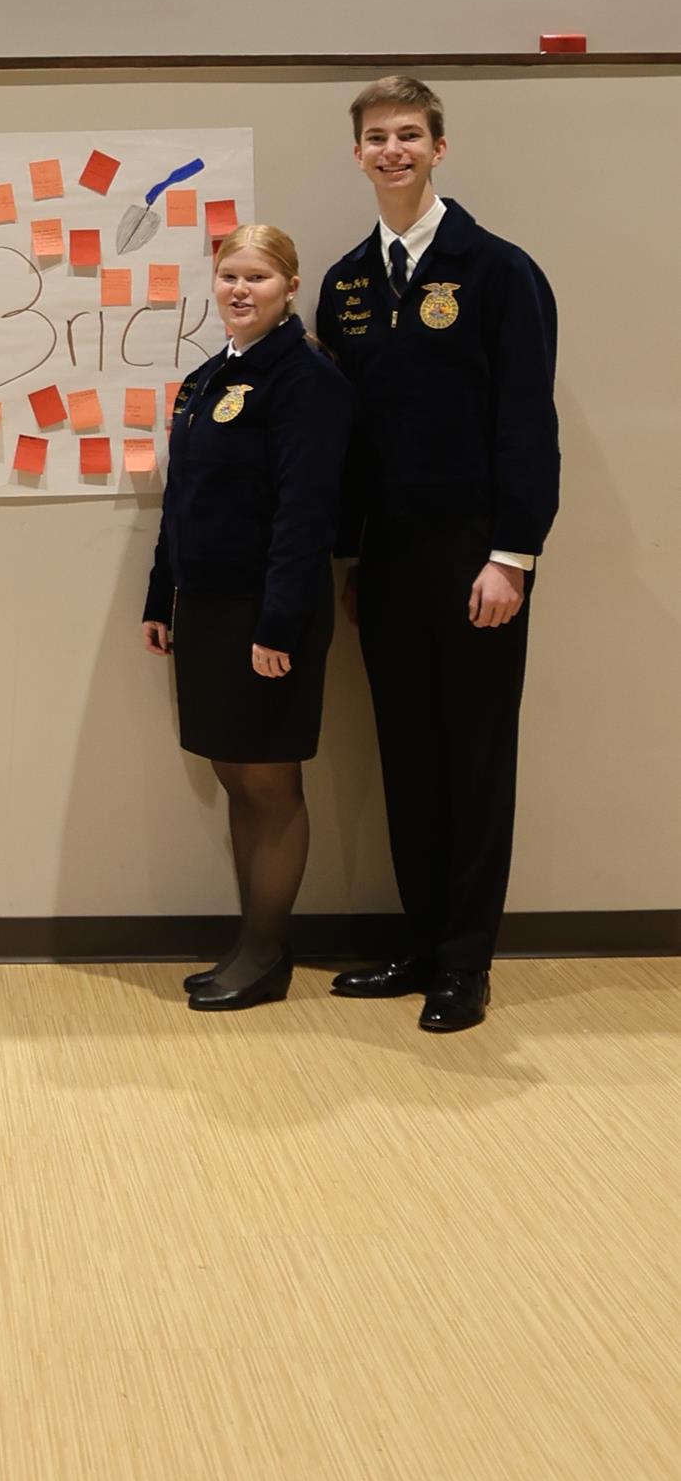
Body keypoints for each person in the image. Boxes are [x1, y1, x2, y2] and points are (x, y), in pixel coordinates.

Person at [318, 75, 558, 1033]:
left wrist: (511, 557)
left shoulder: (497, 271)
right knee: (407, 756)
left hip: (475, 556)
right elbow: (342, 444)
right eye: (377, 137)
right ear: (357, 154)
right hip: (386, 562)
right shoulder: (345, 282)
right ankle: (418, 944)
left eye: (409, 135)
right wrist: (348, 561)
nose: (393, 151)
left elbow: (526, 424)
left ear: (438, 148)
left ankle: (465, 963)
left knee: (474, 760)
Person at [142, 225, 354, 1010]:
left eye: (257, 277)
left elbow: (305, 513)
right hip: (206, 607)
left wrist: (278, 624)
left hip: (265, 611)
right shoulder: (208, 378)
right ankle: (249, 944)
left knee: (267, 784)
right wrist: (159, 596)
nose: (239, 289)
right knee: (234, 775)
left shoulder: (304, 378)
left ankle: (264, 954)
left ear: (289, 287)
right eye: (229, 275)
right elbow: (181, 501)